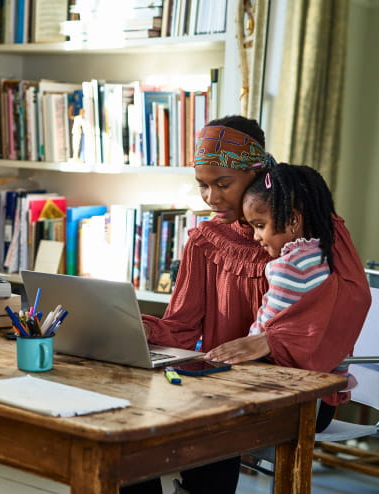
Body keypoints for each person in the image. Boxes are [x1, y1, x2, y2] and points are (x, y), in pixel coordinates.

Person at [124, 116, 370, 494]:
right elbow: (183, 326)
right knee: (131, 429)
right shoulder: (205, 240)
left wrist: (270, 340)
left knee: (212, 414)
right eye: (202, 186)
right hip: (227, 383)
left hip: (301, 391)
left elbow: (352, 298)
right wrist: (134, 327)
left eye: (223, 184)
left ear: (257, 174)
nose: (211, 198)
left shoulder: (315, 225)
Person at [206, 163, 359, 424]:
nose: (255, 237)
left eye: (259, 225)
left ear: (293, 220)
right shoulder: (328, 254)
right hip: (326, 400)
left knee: (210, 412)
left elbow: (264, 333)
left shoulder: (290, 266)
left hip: (300, 402)